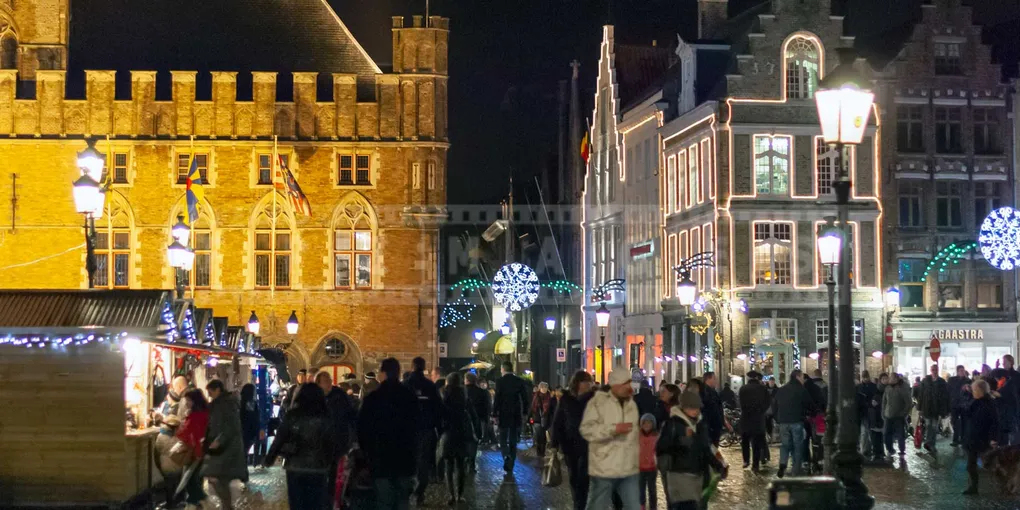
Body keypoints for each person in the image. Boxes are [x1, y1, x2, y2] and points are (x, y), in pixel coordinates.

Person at [358, 358, 419, 510]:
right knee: (403, 502)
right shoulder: (410, 397)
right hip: (405, 458)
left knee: (384, 501)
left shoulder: (373, 399)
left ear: (383, 374)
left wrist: (366, 454)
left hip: (380, 459)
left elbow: (363, 430)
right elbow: (417, 426)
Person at [263, 382, 335, 509]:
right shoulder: (326, 416)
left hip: (295, 466)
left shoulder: (292, 415)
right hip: (318, 467)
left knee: (297, 503)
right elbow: (332, 441)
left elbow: (280, 438)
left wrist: (270, 458)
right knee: (316, 503)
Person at [656, 390, 727, 510]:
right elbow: (661, 448)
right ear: (684, 407)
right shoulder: (673, 424)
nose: (696, 410)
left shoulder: (700, 424)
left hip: (698, 476)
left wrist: (718, 465)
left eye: (698, 407)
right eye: (692, 407)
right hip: (679, 476)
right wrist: (682, 442)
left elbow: (706, 448)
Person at [580, 370, 640, 510]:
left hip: (628, 468)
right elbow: (587, 430)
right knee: (598, 505)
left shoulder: (632, 405)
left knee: (634, 506)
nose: (629, 387)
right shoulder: (597, 403)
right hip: (605, 467)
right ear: (616, 385)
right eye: (626, 384)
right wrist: (613, 429)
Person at [550, 370, 596, 510]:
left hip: (588, 444)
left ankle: (579, 505)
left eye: (589, 381)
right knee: (573, 477)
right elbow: (557, 422)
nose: (588, 384)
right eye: (585, 381)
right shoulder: (566, 399)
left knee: (583, 477)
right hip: (569, 444)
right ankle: (578, 501)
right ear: (577, 383)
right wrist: (554, 444)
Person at [404, 357, 442, 505]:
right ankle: (420, 493)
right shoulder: (430, 386)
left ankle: (407, 492)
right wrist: (438, 427)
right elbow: (438, 408)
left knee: (407, 461)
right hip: (426, 429)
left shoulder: (405, 385)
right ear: (424, 367)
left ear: (412, 366)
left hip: (408, 431)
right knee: (423, 462)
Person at [203, 380, 247, 510]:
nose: (209, 395)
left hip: (226, 449)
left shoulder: (227, 404)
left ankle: (227, 506)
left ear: (217, 390)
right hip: (220, 448)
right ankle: (227, 506)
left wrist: (219, 440)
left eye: (211, 392)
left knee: (217, 477)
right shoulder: (218, 404)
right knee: (217, 478)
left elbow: (232, 426)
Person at [315, 371, 356, 503]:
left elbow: (351, 414)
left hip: (338, 441)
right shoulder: (314, 397)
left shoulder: (339, 395)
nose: (329, 383)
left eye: (329, 380)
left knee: (336, 473)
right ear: (318, 383)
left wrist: (352, 437)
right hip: (320, 443)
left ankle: (333, 499)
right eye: (325, 380)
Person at [438, 372, 477, 505]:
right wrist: (476, 432)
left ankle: (451, 495)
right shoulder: (463, 395)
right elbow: (472, 415)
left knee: (449, 466)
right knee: (460, 465)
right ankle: (460, 495)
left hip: (448, 433)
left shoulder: (443, 394)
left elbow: (439, 414)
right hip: (462, 433)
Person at [772, 370, 813, 478]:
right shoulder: (801, 390)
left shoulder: (782, 389)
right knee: (797, 446)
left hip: (783, 422)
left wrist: (778, 419)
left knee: (785, 445)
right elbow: (810, 405)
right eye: (802, 377)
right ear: (798, 377)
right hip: (797, 421)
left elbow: (774, 405)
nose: (803, 379)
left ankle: (783, 463)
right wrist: (808, 414)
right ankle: (795, 470)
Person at [492, 361, 530, 473]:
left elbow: (497, 399)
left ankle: (505, 455)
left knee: (503, 437)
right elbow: (525, 398)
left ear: (503, 369)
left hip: (504, 413)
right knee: (513, 439)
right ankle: (511, 461)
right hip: (515, 413)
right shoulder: (519, 381)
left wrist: (494, 413)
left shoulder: (500, 382)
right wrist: (524, 412)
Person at [963, 379, 998, 495]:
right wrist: (967, 394)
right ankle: (974, 487)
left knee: (990, 463)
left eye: (974, 390)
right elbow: (967, 412)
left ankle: (1000, 484)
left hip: (983, 438)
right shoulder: (975, 401)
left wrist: (993, 438)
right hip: (973, 438)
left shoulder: (989, 403)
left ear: (980, 391)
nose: (973, 392)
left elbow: (994, 422)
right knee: (970, 465)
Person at [177, 389, 210, 509]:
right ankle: (195, 503)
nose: (187, 403)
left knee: (190, 479)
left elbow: (183, 433)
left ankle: (202, 499)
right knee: (197, 477)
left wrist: (184, 420)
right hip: (205, 449)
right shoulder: (207, 412)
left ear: (194, 401)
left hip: (195, 451)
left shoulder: (194, 415)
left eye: (188, 401)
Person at [738, 371, 769, 472]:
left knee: (745, 441)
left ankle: (746, 460)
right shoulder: (763, 388)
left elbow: (740, 403)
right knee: (756, 444)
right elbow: (767, 402)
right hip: (758, 419)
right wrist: (761, 411)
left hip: (746, 418)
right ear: (756, 377)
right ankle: (755, 465)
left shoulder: (743, 388)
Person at [918, 363, 950, 457]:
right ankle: (929, 443)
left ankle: (931, 444)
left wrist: (945, 410)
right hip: (927, 408)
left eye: (936, 370)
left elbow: (945, 397)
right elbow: (921, 395)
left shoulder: (942, 382)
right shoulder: (925, 381)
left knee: (934, 427)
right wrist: (920, 408)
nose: (934, 371)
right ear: (931, 370)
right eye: (933, 370)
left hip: (937, 409)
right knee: (928, 426)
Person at [154, 414, 185, 508]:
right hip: (179, 465)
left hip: (165, 466)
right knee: (178, 483)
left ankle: (170, 504)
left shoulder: (160, 437)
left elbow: (156, 453)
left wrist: (159, 466)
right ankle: (179, 502)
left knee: (169, 485)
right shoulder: (180, 437)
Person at [464, 372, 491, 470]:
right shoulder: (482, 392)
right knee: (474, 442)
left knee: (465, 441)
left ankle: (465, 459)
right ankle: (471, 462)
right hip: (478, 420)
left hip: (465, 421)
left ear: (466, 380)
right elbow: (487, 407)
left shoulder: (462, 391)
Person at [883, 372, 913, 457]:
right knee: (886, 434)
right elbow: (884, 401)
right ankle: (890, 449)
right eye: (890, 378)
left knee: (900, 434)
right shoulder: (888, 388)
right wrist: (884, 412)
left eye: (892, 378)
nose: (890, 379)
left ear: (896, 379)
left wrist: (903, 413)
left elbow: (908, 403)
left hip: (898, 416)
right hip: (888, 415)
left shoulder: (902, 388)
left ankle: (902, 450)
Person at [991, 355, 1020, 444]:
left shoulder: (1015, 375)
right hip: (1003, 408)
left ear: (1011, 362)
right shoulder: (1001, 375)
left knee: (1013, 431)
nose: (1003, 363)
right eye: (1003, 361)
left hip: (1013, 406)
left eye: (1005, 361)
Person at [637, 414, 658, 510]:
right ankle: (642, 506)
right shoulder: (637, 435)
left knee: (652, 490)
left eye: (649, 423)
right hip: (639, 468)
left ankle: (653, 507)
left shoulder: (656, 436)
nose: (647, 425)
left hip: (652, 468)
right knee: (640, 490)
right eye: (644, 423)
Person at [948, 365, 972, 447]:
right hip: (954, 404)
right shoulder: (952, 380)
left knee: (964, 422)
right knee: (955, 422)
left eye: (963, 370)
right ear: (957, 371)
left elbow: (971, 393)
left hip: (964, 405)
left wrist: (967, 389)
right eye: (961, 370)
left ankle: (963, 439)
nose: (962, 372)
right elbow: (949, 391)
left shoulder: (968, 381)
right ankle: (955, 440)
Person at [239, 383, 261, 477]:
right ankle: (243, 473)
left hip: (242, 431)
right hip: (248, 432)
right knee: (244, 453)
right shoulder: (251, 403)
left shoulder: (240, 402)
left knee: (243, 453)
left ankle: (243, 473)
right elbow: (253, 418)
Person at [868, 373, 889, 461]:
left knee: (882, 435)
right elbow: (871, 402)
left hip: (885, 414)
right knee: (875, 435)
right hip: (876, 414)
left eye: (886, 378)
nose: (885, 380)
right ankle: (877, 452)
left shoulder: (889, 389)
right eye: (883, 378)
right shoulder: (876, 389)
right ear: (880, 380)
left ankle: (881, 452)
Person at [857, 371, 878, 456]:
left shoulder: (871, 386)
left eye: (866, 377)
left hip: (870, 411)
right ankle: (864, 449)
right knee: (865, 432)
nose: (866, 379)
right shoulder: (859, 387)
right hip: (864, 412)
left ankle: (867, 449)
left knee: (868, 432)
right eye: (864, 377)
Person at [530, 382, 553, 457]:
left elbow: (552, 408)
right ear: (540, 388)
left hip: (547, 419)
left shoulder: (550, 397)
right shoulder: (536, 396)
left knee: (544, 438)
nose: (544, 389)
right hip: (537, 419)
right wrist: (530, 419)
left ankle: (542, 452)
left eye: (545, 387)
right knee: (540, 436)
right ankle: (540, 453)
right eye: (542, 387)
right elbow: (532, 408)